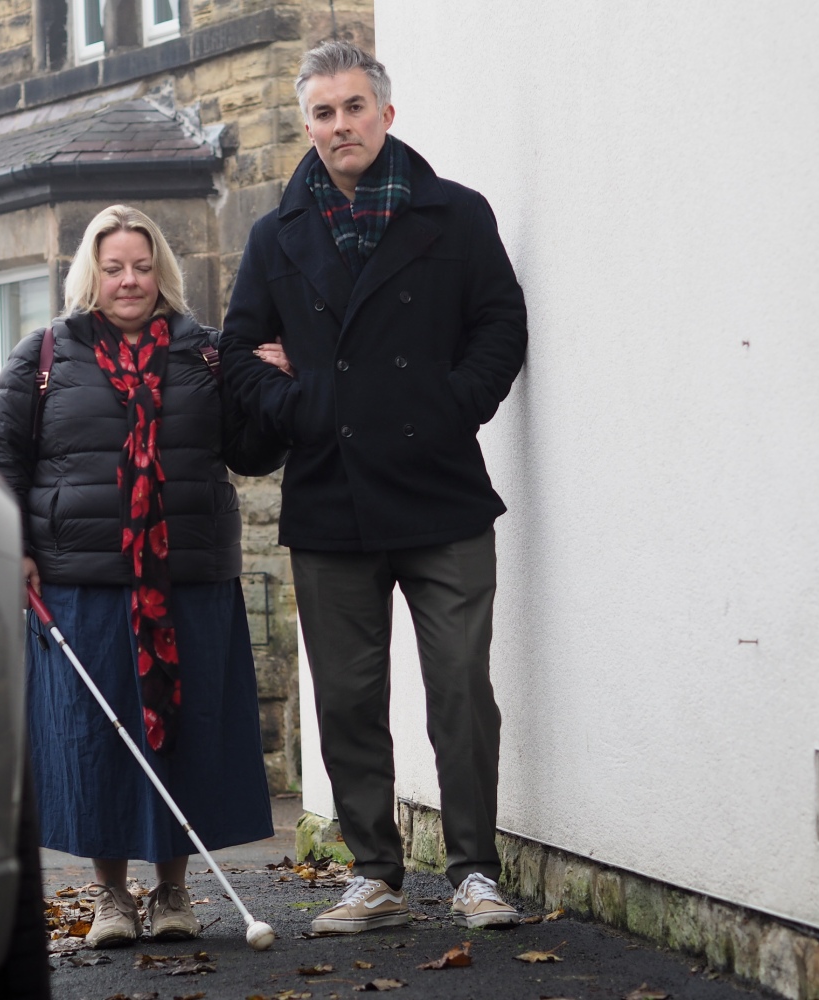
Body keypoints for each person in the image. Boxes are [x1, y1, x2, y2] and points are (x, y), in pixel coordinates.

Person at [221, 40, 528, 933]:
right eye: (322, 112)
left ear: (385, 115)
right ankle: (375, 877)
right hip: (331, 493)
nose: (339, 125)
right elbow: (237, 354)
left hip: (442, 491)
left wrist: (451, 406)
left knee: (461, 688)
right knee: (347, 698)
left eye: (354, 107)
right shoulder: (275, 236)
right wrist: (304, 403)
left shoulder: (455, 214)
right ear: (307, 124)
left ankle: (475, 869)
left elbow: (500, 322)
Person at [0, 205, 283, 949]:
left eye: (142, 267)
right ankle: (112, 898)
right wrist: (13, 543)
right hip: (82, 583)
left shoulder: (206, 354)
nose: (129, 281)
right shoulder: (43, 354)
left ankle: (175, 892)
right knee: (96, 741)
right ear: (92, 272)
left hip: (188, 580)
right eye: (114, 267)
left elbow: (249, 453)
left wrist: (272, 392)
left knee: (183, 737)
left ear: (162, 273)